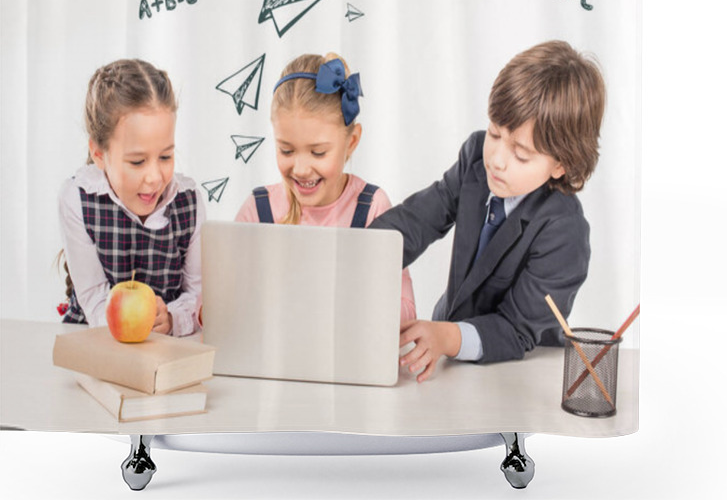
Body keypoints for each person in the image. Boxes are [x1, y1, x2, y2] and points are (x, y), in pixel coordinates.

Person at [371, 40, 606, 381]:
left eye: (521, 154)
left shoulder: (565, 231)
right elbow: (417, 221)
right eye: (495, 133)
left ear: (561, 165)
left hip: (516, 369)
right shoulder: (475, 161)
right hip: (448, 347)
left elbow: (516, 330)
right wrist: (356, 256)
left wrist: (446, 337)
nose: (496, 159)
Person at [235, 52, 416, 323]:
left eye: (318, 153)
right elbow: (220, 302)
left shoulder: (372, 208)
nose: (301, 168)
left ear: (351, 142)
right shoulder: (258, 208)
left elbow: (407, 311)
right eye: (286, 150)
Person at [58, 59, 204, 336]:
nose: (154, 178)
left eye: (165, 157)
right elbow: (93, 300)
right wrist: (130, 324)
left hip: (165, 350)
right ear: (99, 154)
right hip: (95, 343)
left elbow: (197, 296)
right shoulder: (77, 199)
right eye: (137, 162)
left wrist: (172, 319)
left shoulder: (189, 202)